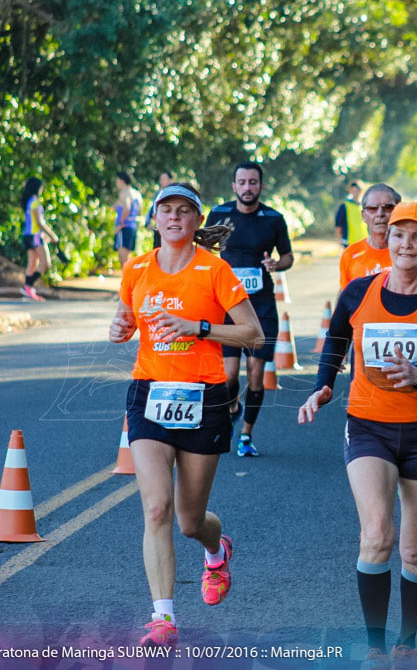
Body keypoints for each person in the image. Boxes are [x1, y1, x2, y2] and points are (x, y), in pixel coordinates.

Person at [298, 201, 417, 668]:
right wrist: (323, 388)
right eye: (398, 235)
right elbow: (335, 341)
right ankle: (375, 644)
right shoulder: (358, 293)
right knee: (376, 535)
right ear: (387, 239)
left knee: (416, 551)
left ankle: (407, 640)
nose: (406, 245)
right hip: (369, 426)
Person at [109, 182, 263, 647]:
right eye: (166, 210)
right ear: (155, 219)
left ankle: (217, 551)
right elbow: (126, 321)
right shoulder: (136, 269)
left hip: (204, 398)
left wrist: (197, 327)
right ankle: (163, 618)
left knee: (189, 521)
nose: (174, 218)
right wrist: (119, 328)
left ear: (197, 222)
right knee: (156, 508)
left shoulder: (215, 271)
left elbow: (253, 334)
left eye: (184, 211)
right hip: (149, 393)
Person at [206, 161, 293, 457]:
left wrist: (275, 264)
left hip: (261, 307)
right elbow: (203, 250)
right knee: (229, 376)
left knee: (256, 375)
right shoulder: (218, 215)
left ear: (261, 186)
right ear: (234, 186)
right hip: (227, 307)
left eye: (252, 182)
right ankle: (232, 406)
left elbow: (288, 257)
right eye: (241, 182)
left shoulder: (273, 219)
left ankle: (246, 434)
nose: (247, 187)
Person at [338, 183, 417, 290]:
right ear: (363, 215)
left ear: (399, 211)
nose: (380, 214)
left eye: (388, 208)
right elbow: (345, 297)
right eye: (372, 208)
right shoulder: (350, 255)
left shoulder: (415, 254)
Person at [20, 177, 59, 301]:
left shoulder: (29, 201)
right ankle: (28, 285)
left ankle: (28, 289)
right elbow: (39, 222)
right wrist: (52, 235)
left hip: (28, 235)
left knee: (32, 263)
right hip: (35, 236)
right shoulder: (35, 202)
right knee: (45, 263)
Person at [114, 171, 143, 269]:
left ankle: (126, 281)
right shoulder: (136, 193)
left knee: (123, 256)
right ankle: (129, 280)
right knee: (128, 255)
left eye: (117, 181)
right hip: (133, 227)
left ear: (122, 181)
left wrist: (121, 223)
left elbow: (127, 207)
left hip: (124, 227)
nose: (116, 183)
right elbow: (139, 211)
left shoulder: (124, 192)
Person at [145, 171, 175, 250]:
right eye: (161, 179)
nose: (161, 181)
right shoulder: (159, 194)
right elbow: (152, 210)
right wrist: (148, 222)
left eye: (164, 179)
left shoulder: (176, 195)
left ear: (171, 180)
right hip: (159, 229)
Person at [334, 179, 367, 248]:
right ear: (350, 191)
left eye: (358, 190)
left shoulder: (365, 207)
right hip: (349, 242)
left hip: (364, 241)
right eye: (354, 190)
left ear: (362, 191)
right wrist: (339, 239)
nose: (356, 192)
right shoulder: (344, 206)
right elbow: (338, 225)